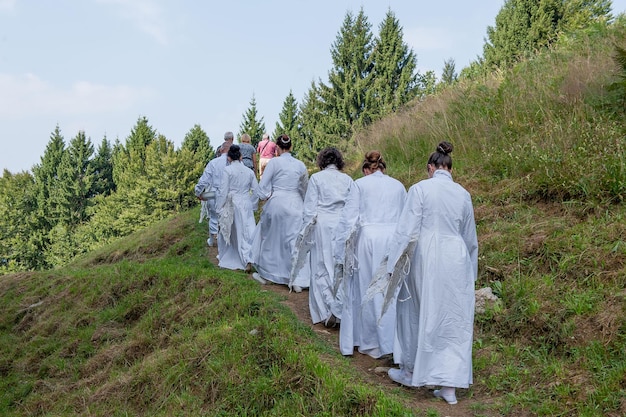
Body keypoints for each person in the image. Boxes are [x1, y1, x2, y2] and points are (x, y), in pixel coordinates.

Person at [381, 141, 478, 405]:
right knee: (452, 319)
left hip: (427, 254)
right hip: (456, 257)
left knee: (415, 310)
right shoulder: (463, 194)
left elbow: (406, 230)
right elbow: (470, 238)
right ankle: (449, 386)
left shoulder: (420, 189)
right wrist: (471, 273)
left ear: (430, 168)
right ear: (450, 168)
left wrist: (392, 265)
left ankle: (412, 371)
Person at [333, 150, 406, 357]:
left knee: (367, 287)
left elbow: (348, 219)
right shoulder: (398, 186)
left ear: (366, 169)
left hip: (368, 239)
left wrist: (340, 251)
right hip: (393, 238)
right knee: (390, 288)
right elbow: (405, 218)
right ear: (383, 167)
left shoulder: (360, 185)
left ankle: (370, 340)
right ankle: (391, 341)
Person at [292, 147, 354, 327]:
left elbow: (310, 208)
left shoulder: (316, 178)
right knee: (339, 265)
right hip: (342, 224)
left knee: (321, 265)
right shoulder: (348, 180)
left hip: (322, 224)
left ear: (322, 161)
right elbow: (352, 207)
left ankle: (326, 308)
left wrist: (305, 232)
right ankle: (340, 308)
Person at [249, 134, 309, 290]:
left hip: (277, 203)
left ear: (277, 148)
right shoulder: (300, 165)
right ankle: (296, 279)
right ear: (291, 147)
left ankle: (269, 273)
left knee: (272, 239)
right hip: (295, 203)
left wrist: (261, 198)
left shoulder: (274, 163)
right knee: (293, 241)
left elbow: (263, 186)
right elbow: (304, 188)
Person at [215, 144, 259, 271]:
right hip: (246, 202)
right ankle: (250, 256)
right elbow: (256, 190)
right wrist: (253, 204)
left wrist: (220, 207)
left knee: (237, 233)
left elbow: (223, 191)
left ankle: (244, 259)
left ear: (229, 158)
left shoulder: (227, 171)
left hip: (233, 203)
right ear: (240, 157)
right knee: (249, 231)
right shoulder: (249, 172)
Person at [194, 141, 232, 247]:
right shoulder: (235, 163)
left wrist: (198, 192)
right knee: (228, 217)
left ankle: (212, 239)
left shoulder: (213, 163)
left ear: (221, 150)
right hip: (229, 193)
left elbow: (204, 180)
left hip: (215, 193)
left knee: (214, 216)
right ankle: (227, 240)